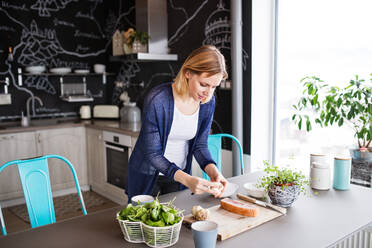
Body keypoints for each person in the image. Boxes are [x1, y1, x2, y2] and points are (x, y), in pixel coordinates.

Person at [126, 45, 228, 201]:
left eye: (214, 87)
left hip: (178, 176)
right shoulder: (158, 100)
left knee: (177, 221)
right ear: (187, 73)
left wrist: (214, 171)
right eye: (204, 84)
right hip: (148, 175)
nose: (208, 93)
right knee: (143, 222)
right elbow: (152, 153)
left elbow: (200, 146)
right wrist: (187, 179)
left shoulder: (207, 102)